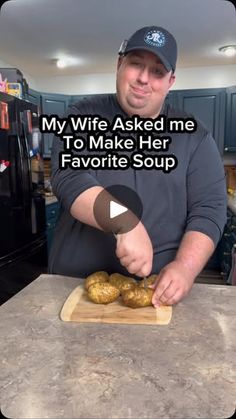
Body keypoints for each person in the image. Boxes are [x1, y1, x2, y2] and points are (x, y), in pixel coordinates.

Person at [49, 26, 227, 306]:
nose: (144, 78)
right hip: (75, 289)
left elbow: (209, 208)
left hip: (155, 293)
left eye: (157, 71)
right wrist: (125, 222)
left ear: (171, 81)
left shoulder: (195, 136)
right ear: (120, 64)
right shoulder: (81, 115)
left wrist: (185, 267)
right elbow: (70, 176)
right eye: (136, 64)